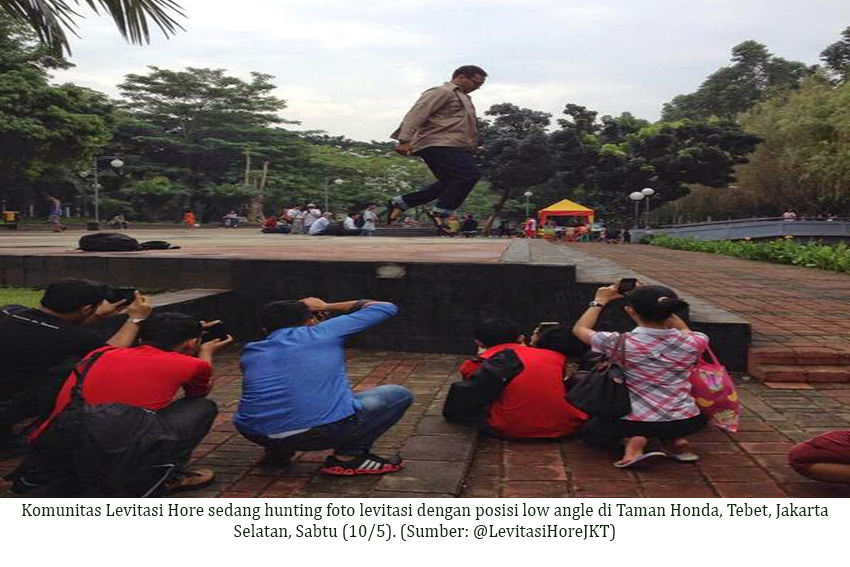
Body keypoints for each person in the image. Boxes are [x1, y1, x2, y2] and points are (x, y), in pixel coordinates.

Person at [29, 312, 233, 492]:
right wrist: (205, 353)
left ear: (142, 337)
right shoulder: (190, 364)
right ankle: (163, 476)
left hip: (58, 441)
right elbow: (199, 392)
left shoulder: (99, 353)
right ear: (192, 343)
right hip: (112, 450)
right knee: (202, 407)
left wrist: (182, 329)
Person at [234, 297, 412, 475]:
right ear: (310, 321)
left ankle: (277, 453)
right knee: (397, 394)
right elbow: (385, 307)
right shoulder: (323, 332)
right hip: (316, 433)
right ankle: (349, 458)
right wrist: (326, 306)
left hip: (255, 433)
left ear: (265, 328)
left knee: (281, 397)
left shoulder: (251, 350)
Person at [0, 279, 152, 452]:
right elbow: (107, 356)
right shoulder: (76, 337)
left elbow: (51, 327)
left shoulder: (10, 311)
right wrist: (136, 319)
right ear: (86, 309)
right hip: (8, 404)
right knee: (74, 373)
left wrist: (95, 315)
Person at [572, 283, 708, 468]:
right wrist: (660, 302)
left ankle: (632, 444)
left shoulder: (618, 342)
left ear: (630, 311)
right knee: (665, 417)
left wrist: (599, 301)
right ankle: (675, 440)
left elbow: (580, 329)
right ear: (671, 309)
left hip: (633, 423)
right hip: (687, 420)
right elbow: (684, 330)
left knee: (592, 432)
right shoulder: (697, 341)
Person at [387, 65, 487, 234]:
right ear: (461, 77)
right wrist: (404, 140)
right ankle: (441, 212)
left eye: (480, 85)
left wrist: (471, 148)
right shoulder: (442, 92)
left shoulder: (464, 98)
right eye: (475, 83)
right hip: (437, 143)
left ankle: (402, 203)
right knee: (469, 175)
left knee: (449, 182)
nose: (477, 87)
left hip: (454, 145)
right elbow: (417, 114)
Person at [458, 319, 587, 439]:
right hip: (567, 426)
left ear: (479, 343)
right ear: (520, 338)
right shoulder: (554, 356)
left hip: (511, 428)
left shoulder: (476, 364)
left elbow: (475, 393)